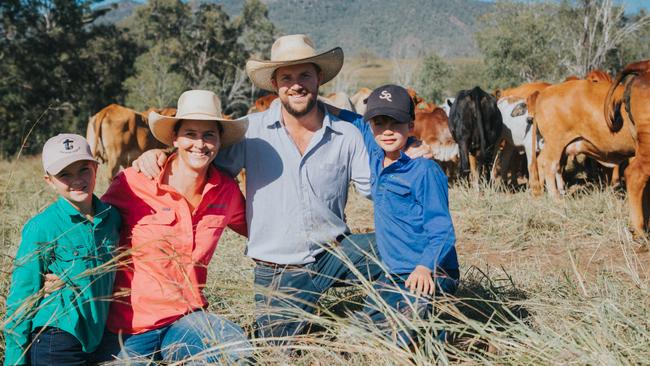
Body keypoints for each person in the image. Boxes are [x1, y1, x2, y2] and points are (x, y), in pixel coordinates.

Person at [133, 35, 431, 341]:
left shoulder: (346, 134)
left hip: (336, 253)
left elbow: (376, 190)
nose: (297, 84)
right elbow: (199, 159)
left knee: (415, 245)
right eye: (287, 77)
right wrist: (160, 156)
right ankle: (309, 329)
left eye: (305, 75)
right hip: (278, 269)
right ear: (275, 84)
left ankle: (368, 329)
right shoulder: (251, 132)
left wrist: (407, 159)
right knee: (276, 350)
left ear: (319, 78)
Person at [94, 90, 252, 364]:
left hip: (187, 320)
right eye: (190, 134)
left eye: (209, 135)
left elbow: (260, 228)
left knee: (235, 353)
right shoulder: (135, 182)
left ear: (219, 142)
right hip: (129, 328)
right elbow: (92, 228)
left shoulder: (225, 191)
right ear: (175, 139)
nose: (199, 144)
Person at [336, 85, 459, 345]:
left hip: (430, 271)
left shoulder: (424, 170)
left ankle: (451, 336)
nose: (388, 130)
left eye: (397, 122)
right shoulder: (374, 150)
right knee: (359, 332)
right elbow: (349, 117)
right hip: (394, 273)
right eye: (379, 123)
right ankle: (435, 327)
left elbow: (443, 230)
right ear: (371, 126)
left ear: (411, 125)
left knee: (401, 335)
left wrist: (426, 267)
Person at [4, 134, 122, 366]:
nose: (77, 180)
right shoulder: (42, 227)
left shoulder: (112, 217)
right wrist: (14, 361)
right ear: (49, 180)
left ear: (96, 168)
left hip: (99, 340)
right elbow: (21, 298)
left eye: (83, 169)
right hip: (57, 338)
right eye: (64, 174)